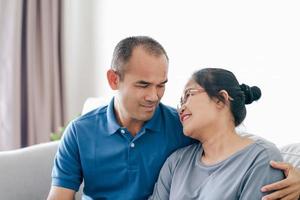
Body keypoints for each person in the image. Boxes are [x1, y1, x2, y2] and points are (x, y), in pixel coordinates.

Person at [47, 36, 300, 200]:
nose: (154, 96)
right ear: (114, 80)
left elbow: (229, 144)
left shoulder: (182, 130)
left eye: (161, 85)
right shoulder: (80, 132)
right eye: (143, 85)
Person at [149, 68, 284, 199]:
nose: (181, 108)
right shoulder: (176, 162)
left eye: (189, 94)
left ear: (221, 99)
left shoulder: (261, 158)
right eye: (181, 102)